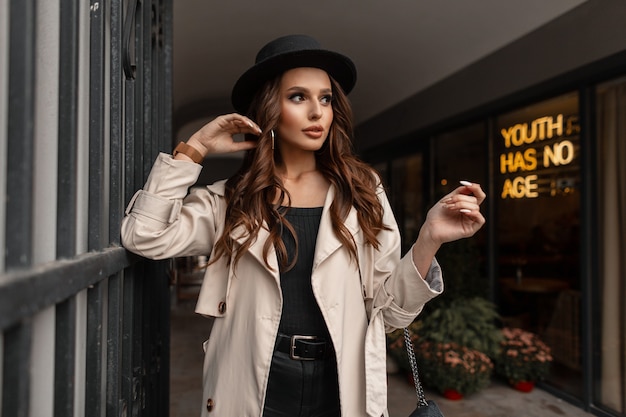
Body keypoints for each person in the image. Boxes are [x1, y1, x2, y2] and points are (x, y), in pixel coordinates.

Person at [121, 34, 486, 417]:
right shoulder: (233, 200)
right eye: (298, 97)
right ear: (270, 109)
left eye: (325, 98)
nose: (317, 112)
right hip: (256, 382)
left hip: (341, 381)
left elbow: (390, 315)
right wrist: (193, 149)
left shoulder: (362, 192)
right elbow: (143, 235)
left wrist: (429, 239)